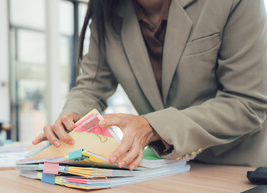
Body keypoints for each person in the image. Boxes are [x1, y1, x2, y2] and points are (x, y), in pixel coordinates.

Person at [33, 0, 267, 169]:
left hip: (237, 166)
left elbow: (247, 102)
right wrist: (71, 119)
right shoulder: (107, 10)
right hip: (163, 168)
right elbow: (90, 87)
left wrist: (154, 126)